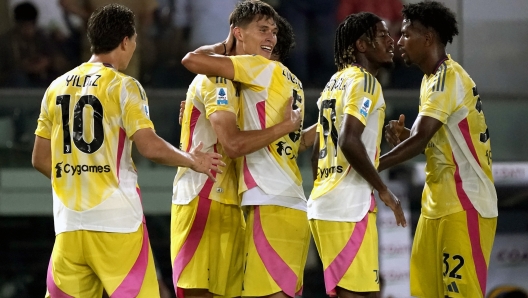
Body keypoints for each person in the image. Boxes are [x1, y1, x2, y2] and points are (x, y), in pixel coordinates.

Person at [31, 4, 223, 297]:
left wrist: (78, 178)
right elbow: (149, 146)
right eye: (134, 40)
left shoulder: (55, 88)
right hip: (117, 223)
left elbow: (40, 159)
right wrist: (192, 160)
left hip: (68, 224)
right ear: (125, 41)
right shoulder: (124, 86)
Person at [181, 2, 315, 297]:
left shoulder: (258, 68)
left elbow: (192, 60)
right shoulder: (293, 85)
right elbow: (297, 142)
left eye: (273, 32)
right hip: (283, 199)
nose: (270, 38)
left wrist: (226, 45)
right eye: (264, 30)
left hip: (271, 199)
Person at [379, 2, 498, 297]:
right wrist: (405, 135)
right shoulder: (430, 80)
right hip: (436, 205)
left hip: (465, 203)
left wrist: (368, 165)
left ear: (428, 38)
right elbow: (436, 141)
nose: (399, 42)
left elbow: (420, 140)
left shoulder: (449, 78)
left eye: (406, 35)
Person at [307, 12, 406, 298]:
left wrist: (326, 192)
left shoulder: (333, 83)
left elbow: (316, 154)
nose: (391, 40)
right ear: (361, 45)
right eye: (383, 35)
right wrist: (383, 190)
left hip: (326, 204)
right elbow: (349, 141)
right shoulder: (366, 83)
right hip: (348, 207)